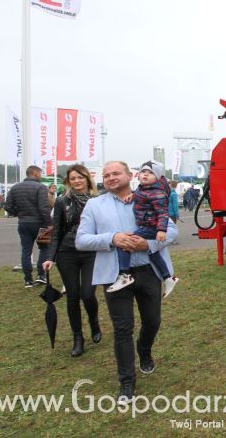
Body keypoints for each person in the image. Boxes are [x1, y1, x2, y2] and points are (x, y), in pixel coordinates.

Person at [76, 161, 179, 404]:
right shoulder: (94, 205)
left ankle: (144, 350)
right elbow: (81, 240)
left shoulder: (147, 195)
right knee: (122, 329)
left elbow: (172, 231)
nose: (110, 178)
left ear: (129, 175)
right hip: (115, 275)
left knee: (152, 321)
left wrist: (149, 244)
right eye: (106, 175)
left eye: (115, 173)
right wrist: (112, 238)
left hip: (148, 271)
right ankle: (126, 381)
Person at [42, 165, 101, 357]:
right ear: (68, 181)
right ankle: (78, 337)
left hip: (91, 252)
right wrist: (50, 257)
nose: (77, 181)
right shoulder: (61, 201)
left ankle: (94, 321)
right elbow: (57, 231)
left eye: (80, 177)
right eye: (73, 178)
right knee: (73, 295)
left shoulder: (98, 200)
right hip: (67, 252)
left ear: (87, 179)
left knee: (87, 294)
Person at [107, 161, 179, 297]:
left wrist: (162, 230)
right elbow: (142, 195)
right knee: (153, 253)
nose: (145, 174)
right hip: (147, 226)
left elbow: (163, 213)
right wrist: (133, 195)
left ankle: (125, 274)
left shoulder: (158, 193)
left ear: (157, 177)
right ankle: (168, 278)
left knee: (125, 242)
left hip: (150, 227)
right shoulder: (142, 189)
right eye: (143, 172)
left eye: (150, 172)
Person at [4, 165, 52, 288]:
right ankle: (41, 275)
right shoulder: (41, 187)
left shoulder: (15, 188)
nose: (41, 176)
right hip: (40, 223)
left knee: (26, 250)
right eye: (40, 174)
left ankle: (28, 280)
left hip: (24, 223)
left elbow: (7, 207)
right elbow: (43, 208)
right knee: (44, 248)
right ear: (36, 174)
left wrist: (18, 213)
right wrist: (49, 224)